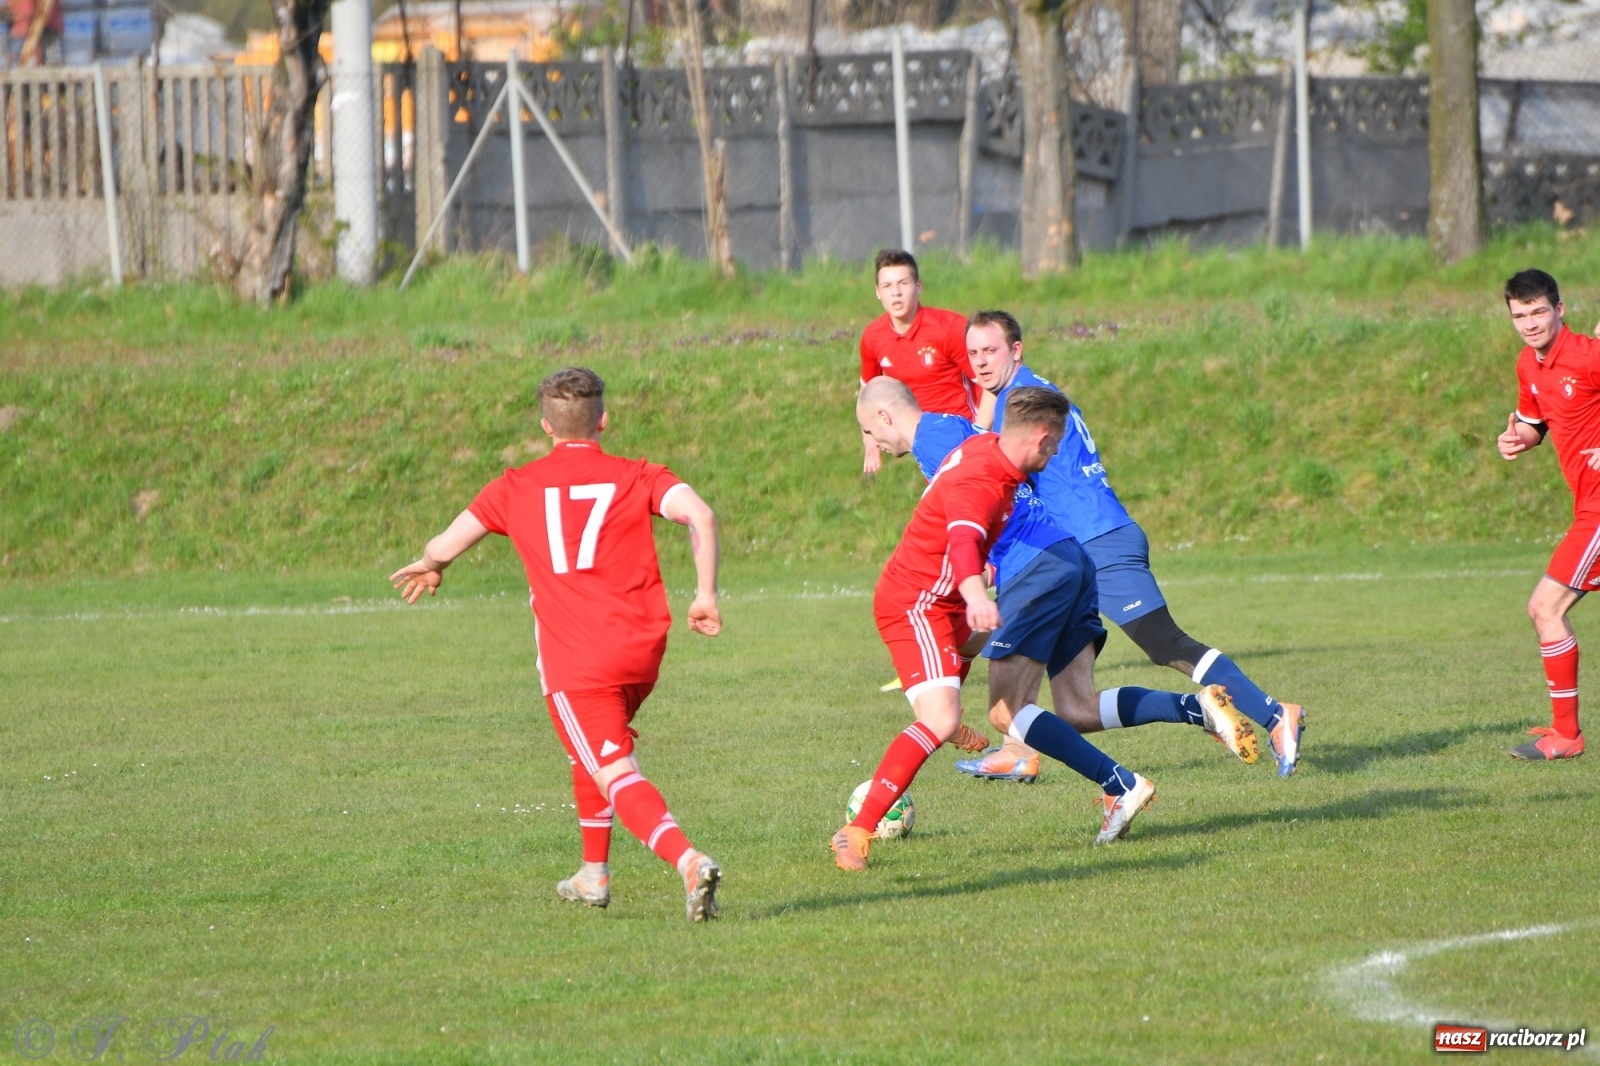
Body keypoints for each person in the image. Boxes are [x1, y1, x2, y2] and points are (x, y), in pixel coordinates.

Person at [390, 367, 726, 921]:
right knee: (592, 750)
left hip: (579, 659)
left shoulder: (514, 487)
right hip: (642, 648)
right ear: (604, 421)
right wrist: (706, 594)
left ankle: (688, 861)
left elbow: (445, 542)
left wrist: (431, 564)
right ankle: (593, 874)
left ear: (547, 426)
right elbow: (701, 515)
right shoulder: (637, 475)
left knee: (613, 767)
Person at [831, 387, 1165, 872]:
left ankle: (1115, 782)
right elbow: (964, 538)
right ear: (1040, 440)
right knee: (943, 718)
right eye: (1054, 447)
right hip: (918, 602)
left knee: (986, 680)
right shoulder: (984, 478)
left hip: (940, 598)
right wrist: (973, 593)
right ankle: (856, 831)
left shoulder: (992, 453)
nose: (1054, 456)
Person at [963, 311, 1306, 779]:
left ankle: (1272, 714)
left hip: (1095, 539)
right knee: (1074, 704)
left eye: (991, 351)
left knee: (1166, 643)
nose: (981, 362)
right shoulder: (1031, 394)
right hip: (1073, 553)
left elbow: (1006, 479)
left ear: (1016, 351)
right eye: (974, 353)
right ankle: (1018, 750)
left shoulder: (1018, 406)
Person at [857, 376, 1258, 775]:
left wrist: (975, 585)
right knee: (1076, 707)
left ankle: (1111, 783)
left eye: (869, 431)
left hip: (1034, 566)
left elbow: (971, 523)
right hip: (1064, 554)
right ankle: (1196, 707)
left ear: (884, 416)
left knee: (1006, 708)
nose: (872, 442)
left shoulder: (931, 443)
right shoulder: (949, 426)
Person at [1495, 268, 1593, 760]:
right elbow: (1536, 422)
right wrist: (1518, 439)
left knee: (1544, 608)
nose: (1530, 323)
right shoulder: (1529, 365)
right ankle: (1563, 725)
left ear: (1560, 309)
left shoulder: (1588, 356)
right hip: (1587, 504)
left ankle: (1566, 735)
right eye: (1520, 315)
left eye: (1538, 312)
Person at [857, 248, 992, 475]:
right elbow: (867, 395)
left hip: (965, 436)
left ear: (918, 286)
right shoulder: (873, 337)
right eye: (887, 286)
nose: (896, 293)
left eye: (903, 283)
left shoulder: (950, 328)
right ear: (877, 292)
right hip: (924, 443)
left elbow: (990, 383)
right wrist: (870, 443)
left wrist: (979, 434)